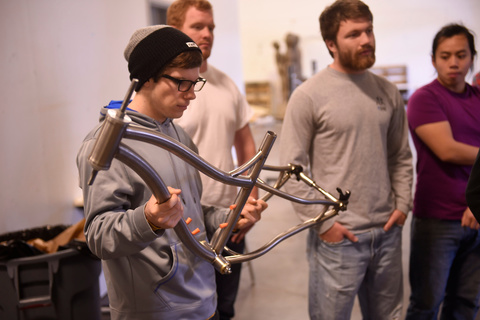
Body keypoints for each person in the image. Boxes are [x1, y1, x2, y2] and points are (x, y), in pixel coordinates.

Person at [76, 25, 267, 320]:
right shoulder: (110, 144)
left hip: (205, 302)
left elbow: (190, 212)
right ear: (147, 77)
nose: (191, 95)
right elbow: (98, 236)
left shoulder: (178, 136)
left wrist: (226, 219)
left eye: (195, 83)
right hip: (156, 311)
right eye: (182, 83)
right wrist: (148, 220)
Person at [279, 0, 413, 319]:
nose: (366, 39)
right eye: (354, 34)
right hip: (339, 242)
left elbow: (401, 156)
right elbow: (292, 171)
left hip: (387, 232)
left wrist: (403, 204)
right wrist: (326, 224)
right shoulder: (308, 96)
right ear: (331, 44)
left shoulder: (387, 91)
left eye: (368, 30)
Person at [167, 1, 258, 319]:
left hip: (228, 220)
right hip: (184, 222)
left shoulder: (226, 84)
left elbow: (247, 145)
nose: (207, 34)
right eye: (197, 27)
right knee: (193, 312)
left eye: (211, 27)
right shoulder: (167, 89)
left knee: (226, 309)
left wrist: (249, 200)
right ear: (176, 29)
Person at [406, 23, 480, 319]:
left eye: (461, 55)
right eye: (445, 55)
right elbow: (447, 150)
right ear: (434, 59)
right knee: (427, 303)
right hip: (438, 220)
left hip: (476, 217)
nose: (453, 63)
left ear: (472, 57)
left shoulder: (477, 97)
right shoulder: (425, 98)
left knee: (466, 303)